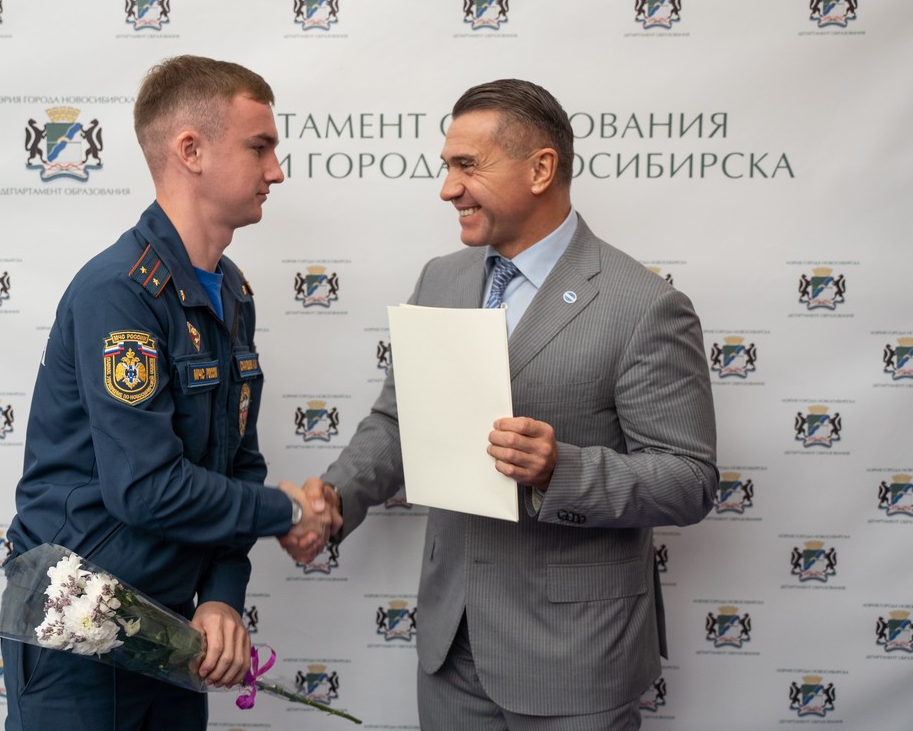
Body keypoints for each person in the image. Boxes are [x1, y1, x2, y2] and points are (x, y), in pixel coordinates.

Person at [283, 78, 718, 730]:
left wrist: (560, 470)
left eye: (467, 165)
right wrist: (336, 498)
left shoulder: (645, 307)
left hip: (576, 656)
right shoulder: (442, 278)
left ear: (540, 169)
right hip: (452, 648)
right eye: (446, 166)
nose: (448, 189)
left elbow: (690, 481)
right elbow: (399, 420)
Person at [3, 55, 330, 731]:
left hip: (171, 628)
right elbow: (147, 489)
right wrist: (287, 510)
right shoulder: (120, 292)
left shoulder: (231, 291)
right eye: (260, 147)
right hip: (75, 629)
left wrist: (222, 595)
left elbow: (236, 466)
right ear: (191, 151)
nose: (276, 171)